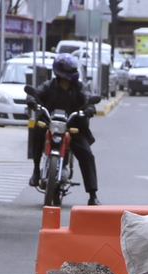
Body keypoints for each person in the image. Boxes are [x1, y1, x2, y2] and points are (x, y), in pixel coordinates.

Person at [27, 53, 100, 206]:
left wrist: (89, 108)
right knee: (37, 132)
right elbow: (36, 94)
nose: (72, 70)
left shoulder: (79, 87)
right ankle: (35, 171)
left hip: (73, 125)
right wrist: (33, 102)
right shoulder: (49, 85)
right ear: (60, 70)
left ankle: (92, 195)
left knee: (86, 153)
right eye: (69, 68)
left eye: (73, 68)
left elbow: (87, 97)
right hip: (50, 123)